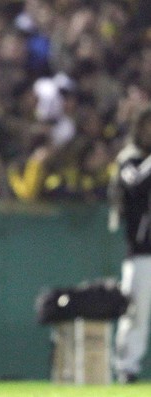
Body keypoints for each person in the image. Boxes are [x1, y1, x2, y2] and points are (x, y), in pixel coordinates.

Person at [108, 105, 151, 383]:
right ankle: (127, 368)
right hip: (142, 251)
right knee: (136, 312)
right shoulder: (130, 160)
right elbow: (133, 184)